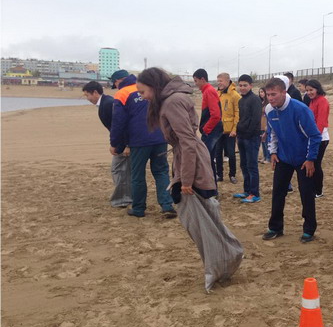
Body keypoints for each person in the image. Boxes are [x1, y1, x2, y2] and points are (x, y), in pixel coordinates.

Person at [136, 68, 243, 291]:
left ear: (154, 87)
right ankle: (222, 262)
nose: (142, 96)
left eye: (143, 91)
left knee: (203, 220)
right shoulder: (173, 99)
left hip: (192, 165)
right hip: (190, 161)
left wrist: (185, 180)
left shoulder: (172, 102)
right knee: (203, 217)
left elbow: (186, 141)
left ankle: (225, 260)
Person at [109, 70, 176, 219]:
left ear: (119, 81)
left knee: (137, 175)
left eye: (114, 83)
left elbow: (118, 123)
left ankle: (139, 208)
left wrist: (115, 144)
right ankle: (167, 205)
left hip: (139, 141)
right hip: (159, 138)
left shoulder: (122, 93)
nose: (115, 86)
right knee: (161, 171)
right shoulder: (152, 87)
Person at [262, 77, 322, 243]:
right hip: (283, 158)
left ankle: (309, 229)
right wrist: (273, 152)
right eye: (268, 94)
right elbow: (272, 132)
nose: (271, 98)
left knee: (306, 194)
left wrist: (311, 159)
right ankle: (275, 227)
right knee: (278, 192)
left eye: (274, 94)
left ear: (284, 92)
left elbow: (315, 135)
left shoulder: (300, 109)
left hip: (303, 159)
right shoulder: (269, 110)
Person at [82, 80, 132, 208]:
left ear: (95, 92)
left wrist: (126, 145)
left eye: (87, 95)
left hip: (123, 143)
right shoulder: (106, 102)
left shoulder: (108, 103)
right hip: (122, 142)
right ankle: (125, 197)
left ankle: (123, 199)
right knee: (124, 170)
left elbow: (122, 124)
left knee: (118, 170)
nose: (87, 98)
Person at [233, 74, 262, 203]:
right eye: (240, 85)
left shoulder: (255, 100)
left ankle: (254, 193)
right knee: (243, 165)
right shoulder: (241, 100)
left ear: (251, 86)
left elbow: (255, 120)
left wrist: (248, 133)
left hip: (252, 137)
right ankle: (247, 190)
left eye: (245, 85)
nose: (243, 88)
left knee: (252, 165)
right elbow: (242, 119)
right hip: (242, 137)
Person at [193, 68, 223, 182]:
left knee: (206, 160)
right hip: (213, 130)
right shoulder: (207, 91)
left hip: (212, 131)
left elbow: (215, 115)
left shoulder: (209, 91)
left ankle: (211, 189)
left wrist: (206, 129)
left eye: (196, 81)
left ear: (202, 79)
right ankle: (212, 188)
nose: (195, 84)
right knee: (208, 159)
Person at [305, 79, 330, 198]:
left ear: (317, 89)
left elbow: (320, 121)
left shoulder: (322, 101)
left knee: (316, 163)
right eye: (307, 90)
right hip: (313, 136)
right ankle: (313, 187)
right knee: (312, 163)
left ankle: (318, 191)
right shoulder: (312, 101)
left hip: (321, 137)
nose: (309, 92)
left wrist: (315, 137)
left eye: (311, 90)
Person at [215, 72, 240, 184]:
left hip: (230, 131)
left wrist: (235, 129)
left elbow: (237, 114)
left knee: (230, 153)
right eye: (218, 81)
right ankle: (219, 174)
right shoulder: (217, 94)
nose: (219, 83)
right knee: (218, 153)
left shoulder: (235, 95)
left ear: (227, 81)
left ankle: (232, 174)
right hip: (218, 130)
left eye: (221, 81)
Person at [258, 87, 271, 164]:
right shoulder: (261, 102)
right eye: (260, 92)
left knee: (266, 141)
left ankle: (268, 157)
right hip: (261, 123)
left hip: (265, 122)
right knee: (262, 141)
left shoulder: (268, 103)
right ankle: (265, 156)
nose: (261, 93)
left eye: (262, 92)